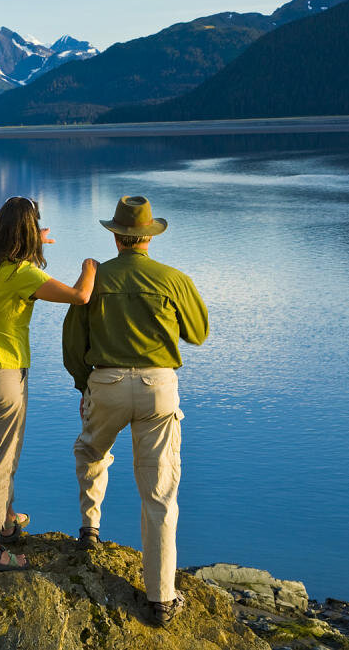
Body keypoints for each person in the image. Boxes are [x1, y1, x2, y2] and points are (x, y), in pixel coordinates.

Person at [62, 195, 208, 625]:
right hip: (157, 389)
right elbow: (198, 332)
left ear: (116, 236)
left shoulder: (96, 279)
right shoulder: (172, 278)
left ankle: (90, 529)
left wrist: (81, 386)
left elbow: (74, 343)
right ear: (148, 237)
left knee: (91, 453)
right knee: (160, 492)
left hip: (105, 384)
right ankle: (161, 599)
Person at [0, 195, 97, 571]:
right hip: (1, 375)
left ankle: (5, 518)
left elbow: (5, 245)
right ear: (27, 232)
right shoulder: (23, 275)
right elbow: (79, 296)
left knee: (2, 448)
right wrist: (90, 267)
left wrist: (34, 239)